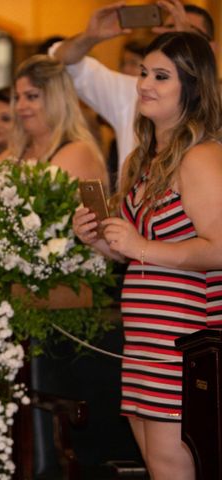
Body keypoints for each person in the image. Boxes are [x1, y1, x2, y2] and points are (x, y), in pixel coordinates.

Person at [73, 32, 222, 479]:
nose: (144, 85)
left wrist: (139, 245)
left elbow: (218, 248)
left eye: (161, 76)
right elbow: (141, 257)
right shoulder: (143, 157)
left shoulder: (201, 157)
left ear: (192, 88)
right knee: (158, 469)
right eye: (143, 73)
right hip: (144, 341)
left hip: (182, 343)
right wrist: (101, 240)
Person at [51, 0, 215, 183]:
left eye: (190, 33)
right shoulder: (132, 92)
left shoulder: (204, 156)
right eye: (169, 28)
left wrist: (186, 48)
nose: (173, 39)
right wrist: (90, 36)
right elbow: (63, 62)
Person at [0, 56, 107, 188]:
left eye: (31, 96)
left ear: (57, 100)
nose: (20, 106)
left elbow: (37, 214)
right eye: (17, 98)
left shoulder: (78, 151)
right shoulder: (17, 152)